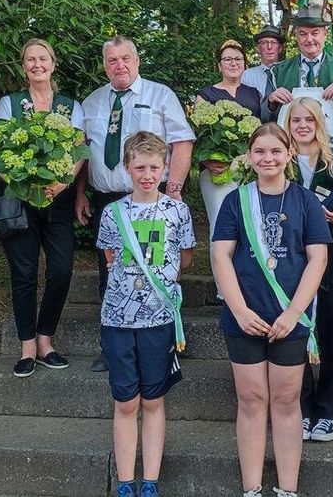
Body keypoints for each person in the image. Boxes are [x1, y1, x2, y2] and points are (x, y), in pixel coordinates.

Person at [211, 123, 331, 497]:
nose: (268, 158)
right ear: (250, 156)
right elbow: (220, 254)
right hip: (245, 317)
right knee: (250, 400)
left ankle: (287, 489)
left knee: (285, 400)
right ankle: (251, 488)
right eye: (260, 152)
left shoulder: (305, 200)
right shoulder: (236, 200)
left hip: (288, 319)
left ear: (289, 154)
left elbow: (317, 258)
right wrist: (240, 309)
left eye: (275, 151)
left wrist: (295, 312)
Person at [76, 35, 196, 372]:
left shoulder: (160, 95)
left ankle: (170, 337)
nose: (120, 65)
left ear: (137, 60)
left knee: (159, 267)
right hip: (109, 200)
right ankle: (112, 344)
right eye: (112, 60)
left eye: (125, 58)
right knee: (111, 271)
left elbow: (182, 142)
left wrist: (173, 188)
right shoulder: (93, 101)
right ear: (104, 65)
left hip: (152, 198)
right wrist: (81, 192)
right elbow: (84, 151)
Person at [97, 131, 196, 497]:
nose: (147, 174)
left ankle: (150, 480)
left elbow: (185, 257)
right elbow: (110, 259)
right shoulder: (112, 212)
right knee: (125, 401)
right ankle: (125, 482)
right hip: (119, 320)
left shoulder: (176, 210)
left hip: (159, 318)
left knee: (153, 399)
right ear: (127, 167)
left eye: (154, 167)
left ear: (165, 166)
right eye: (139, 167)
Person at [0, 38, 85, 378]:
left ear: (53, 63)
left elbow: (78, 150)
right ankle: (28, 346)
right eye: (30, 59)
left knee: (61, 271)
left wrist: (62, 183)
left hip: (57, 200)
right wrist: (21, 185)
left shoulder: (69, 106)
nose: (37, 64)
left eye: (42, 58)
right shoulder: (9, 103)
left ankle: (47, 340)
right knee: (24, 274)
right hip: (18, 200)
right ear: (23, 66)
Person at [284, 97, 333, 443]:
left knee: (332, 333)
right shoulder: (278, 160)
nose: (302, 125)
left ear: (320, 124)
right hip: (290, 258)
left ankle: (328, 410)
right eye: (296, 120)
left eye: (309, 120)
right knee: (294, 331)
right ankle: (300, 407)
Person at [264, 6, 333, 151]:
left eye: (315, 33)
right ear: (296, 36)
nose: (309, 39)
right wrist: (271, 102)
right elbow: (264, 117)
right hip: (292, 151)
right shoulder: (278, 71)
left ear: (325, 34)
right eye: (303, 34)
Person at [196, 39, 262, 241]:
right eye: (227, 59)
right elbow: (198, 137)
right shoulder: (206, 95)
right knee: (221, 224)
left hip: (249, 170)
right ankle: (221, 271)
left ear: (244, 64)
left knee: (250, 223)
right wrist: (207, 161)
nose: (233, 63)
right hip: (218, 169)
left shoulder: (255, 94)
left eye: (238, 59)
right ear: (219, 65)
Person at [242, 24, 284, 97]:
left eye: (273, 43)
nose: (269, 47)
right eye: (264, 43)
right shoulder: (247, 76)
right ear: (258, 48)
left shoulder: (289, 72)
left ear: (280, 48)